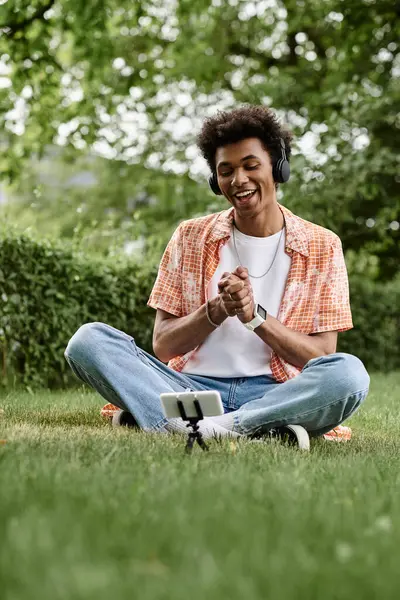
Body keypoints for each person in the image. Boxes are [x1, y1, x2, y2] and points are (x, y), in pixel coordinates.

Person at [64, 105, 370, 449]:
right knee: (88, 341)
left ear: (278, 168)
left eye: (251, 166)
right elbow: (163, 345)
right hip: (189, 388)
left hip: (276, 391)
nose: (239, 180)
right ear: (215, 180)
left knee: (349, 374)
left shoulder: (322, 245)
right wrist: (216, 310)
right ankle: (254, 427)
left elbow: (320, 355)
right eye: (226, 171)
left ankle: (199, 423)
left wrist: (254, 316)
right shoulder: (190, 236)